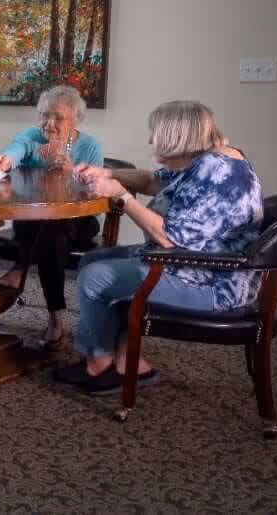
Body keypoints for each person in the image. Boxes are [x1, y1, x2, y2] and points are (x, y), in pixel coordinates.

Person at [55, 100, 263, 394]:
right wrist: (108, 174)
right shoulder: (205, 159)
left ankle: (100, 365)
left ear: (179, 138)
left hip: (214, 284)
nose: (152, 141)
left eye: (156, 135)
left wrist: (122, 196)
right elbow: (153, 180)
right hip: (193, 265)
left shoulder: (216, 172)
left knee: (95, 276)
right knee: (93, 259)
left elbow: (170, 238)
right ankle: (126, 362)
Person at [0, 85, 103, 346]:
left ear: (75, 119)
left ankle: (20, 269)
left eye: (58, 117)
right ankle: (55, 316)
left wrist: (72, 170)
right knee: (51, 234)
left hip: (79, 221)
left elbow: (98, 189)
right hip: (34, 223)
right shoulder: (31, 136)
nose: (49, 123)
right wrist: (6, 160)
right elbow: (16, 150)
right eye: (44, 115)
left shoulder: (90, 146)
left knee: (56, 226)